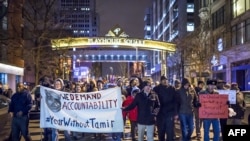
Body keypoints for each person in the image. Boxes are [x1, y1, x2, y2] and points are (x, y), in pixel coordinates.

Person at [153, 76, 178, 141]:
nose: (165, 81)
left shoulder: (172, 88)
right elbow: (154, 102)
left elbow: (175, 101)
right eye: (163, 80)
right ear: (161, 81)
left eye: (166, 80)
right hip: (160, 114)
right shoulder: (156, 89)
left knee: (170, 133)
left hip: (170, 113)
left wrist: (175, 113)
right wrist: (154, 114)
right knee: (161, 132)